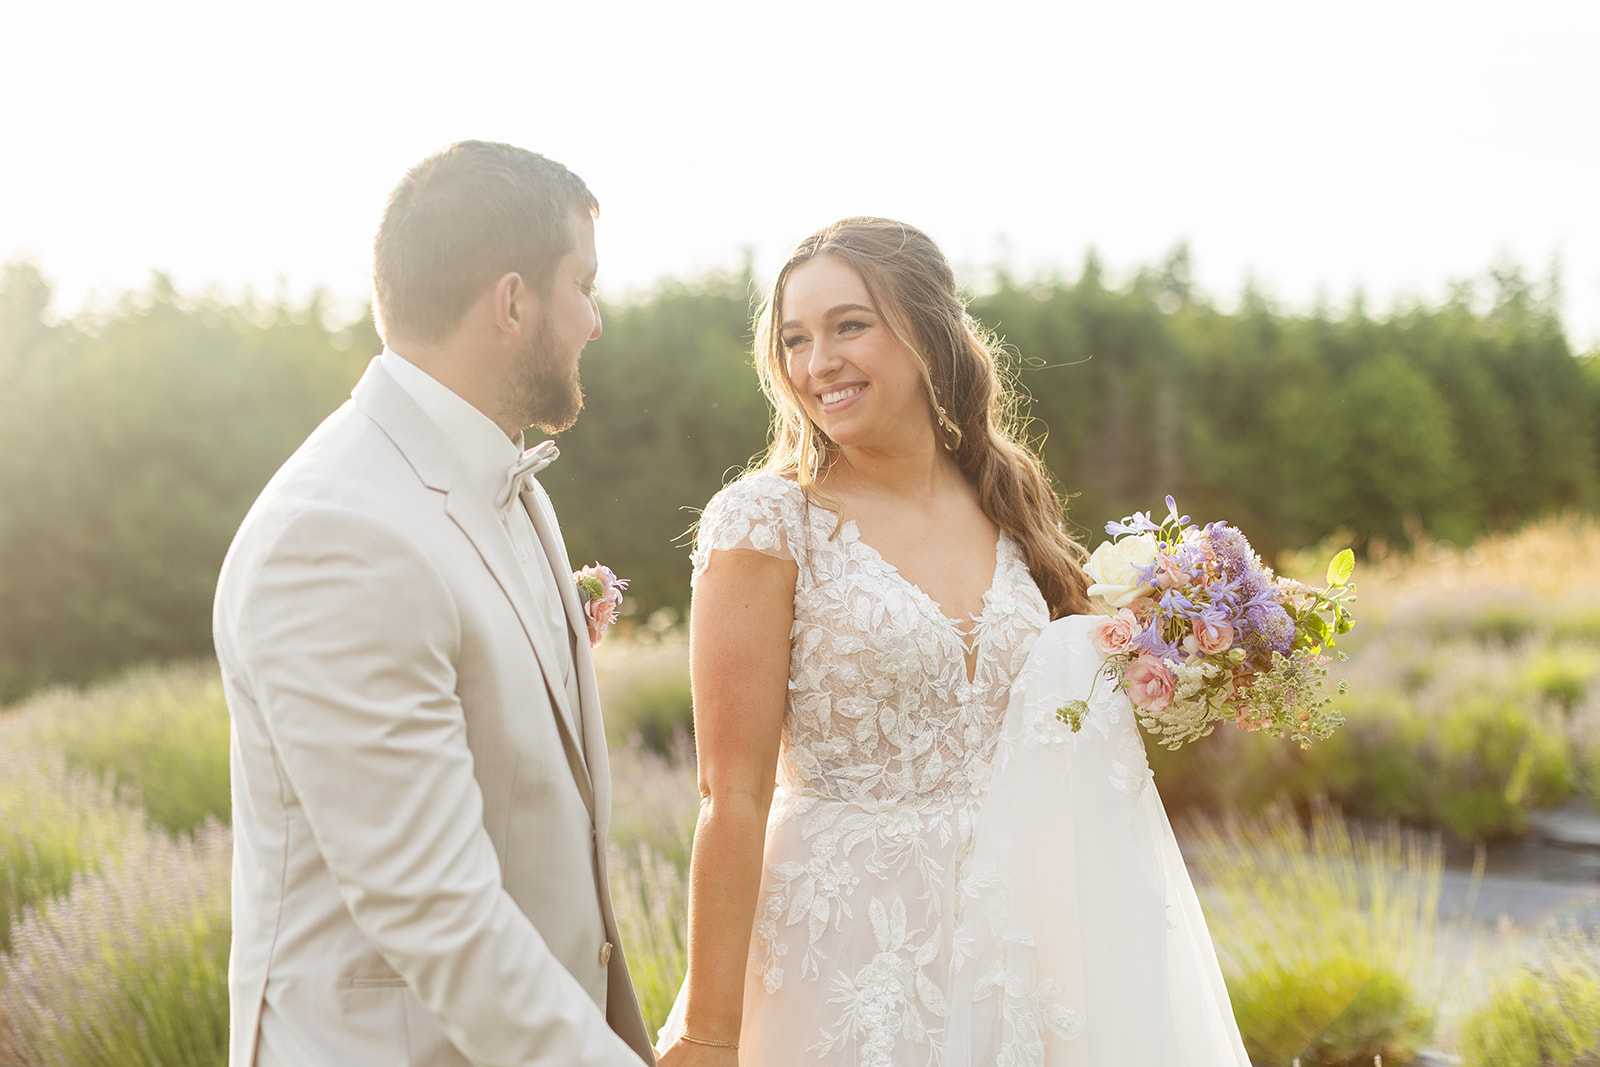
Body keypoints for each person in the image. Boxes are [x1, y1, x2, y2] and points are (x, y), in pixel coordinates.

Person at [655, 218, 1250, 1065]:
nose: (816, 361)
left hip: (1012, 950)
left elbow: (1073, 686)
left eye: (848, 325)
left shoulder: (1006, 495)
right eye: (795, 338)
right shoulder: (766, 520)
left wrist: (1209, 621)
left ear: (928, 329)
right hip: (842, 956)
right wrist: (710, 1031)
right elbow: (731, 793)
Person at [213, 142, 655, 1066]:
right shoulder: (336, 534)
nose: (595, 321)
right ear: (512, 302)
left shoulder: (511, 482)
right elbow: (434, 907)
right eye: (582, 284)